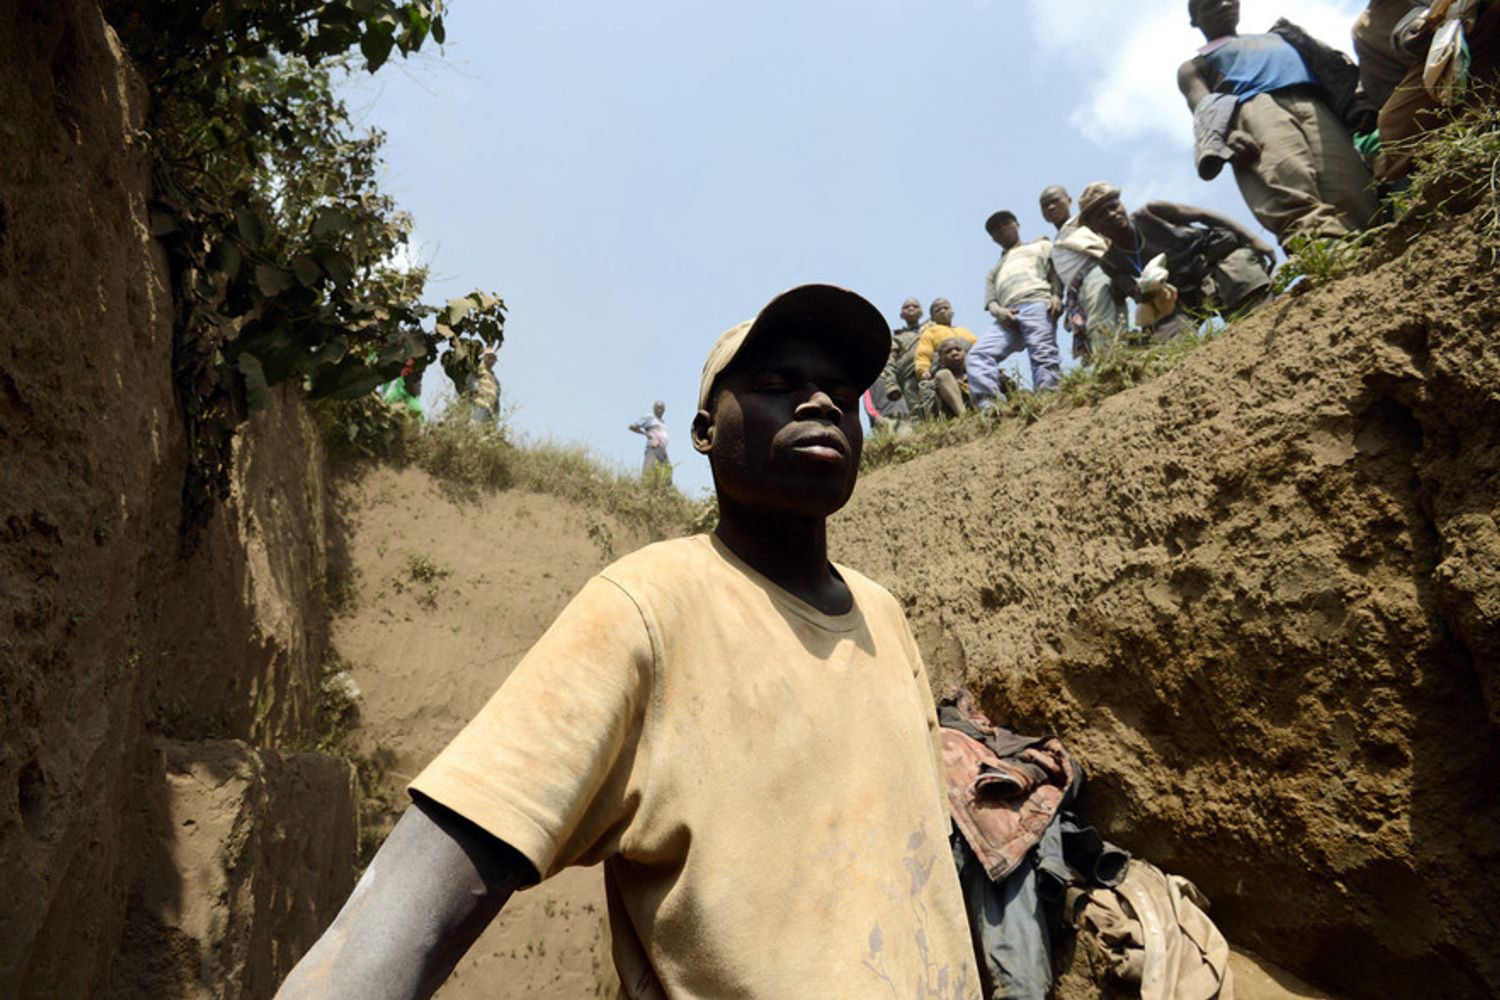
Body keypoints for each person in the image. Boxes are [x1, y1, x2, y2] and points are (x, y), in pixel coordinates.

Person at [275, 284, 983, 1000]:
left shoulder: (883, 616)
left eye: (838, 390)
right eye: (777, 385)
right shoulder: (650, 604)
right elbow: (437, 870)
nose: (821, 403)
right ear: (705, 431)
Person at [1178, 0, 1379, 246]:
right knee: (1289, 188)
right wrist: (1227, 135)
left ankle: (1373, 249)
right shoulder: (1197, 64)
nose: (1223, 4)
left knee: (1352, 186)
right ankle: (1331, 255)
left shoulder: (1282, 37)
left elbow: (1330, 69)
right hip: (1257, 111)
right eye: (1209, 3)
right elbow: (1202, 106)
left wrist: (1355, 105)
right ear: (1194, 20)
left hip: (1315, 104)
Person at [1078, 182, 1275, 342]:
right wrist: (1147, 290)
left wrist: (1255, 241)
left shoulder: (1152, 213)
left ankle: (1264, 334)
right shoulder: (1111, 263)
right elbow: (1137, 294)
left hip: (1212, 265)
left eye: (1113, 206)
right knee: (1164, 333)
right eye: (1100, 215)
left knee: (1242, 277)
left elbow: (1206, 216)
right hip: (1178, 295)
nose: (1111, 215)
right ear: (1094, 228)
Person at [1374, 1, 1500, 183]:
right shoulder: (1364, 30)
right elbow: (1415, 22)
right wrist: (1419, 27)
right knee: (1394, 127)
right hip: (1455, 37)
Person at [968, 211, 1062, 408]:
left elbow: (1055, 273)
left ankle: (1048, 398)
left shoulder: (1041, 246)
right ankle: (990, 407)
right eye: (996, 229)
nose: (1002, 229)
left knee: (1042, 352)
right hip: (1007, 315)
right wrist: (1000, 313)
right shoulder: (994, 270)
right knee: (978, 355)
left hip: (1037, 302)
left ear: (1017, 224)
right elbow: (991, 302)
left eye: (1005, 223)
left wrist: (1056, 296)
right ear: (993, 238)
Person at [1039, 185, 1123, 361]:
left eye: (1055, 201)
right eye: (1045, 205)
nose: (1051, 207)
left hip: (1095, 276)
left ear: (1069, 201)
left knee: (1102, 323)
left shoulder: (1083, 221)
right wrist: (1056, 295)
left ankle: (1111, 367)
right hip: (1076, 293)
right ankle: (1113, 365)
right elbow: (1058, 278)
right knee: (1096, 330)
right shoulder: (1055, 244)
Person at [863, 296, 924, 432]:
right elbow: (868, 402)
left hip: (907, 415)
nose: (911, 309)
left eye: (915, 306)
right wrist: (877, 418)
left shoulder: (929, 331)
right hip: (886, 420)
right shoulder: (872, 377)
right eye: (907, 307)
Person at [919, 337, 976, 419]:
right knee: (943, 374)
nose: (954, 353)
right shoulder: (938, 379)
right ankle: (964, 416)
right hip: (952, 417)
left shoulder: (975, 373)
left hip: (982, 411)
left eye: (958, 349)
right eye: (948, 351)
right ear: (940, 359)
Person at [627, 400, 671, 483]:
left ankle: (665, 490)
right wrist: (647, 434)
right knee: (648, 468)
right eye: (658, 408)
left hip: (662, 448)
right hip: (653, 447)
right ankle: (643, 487)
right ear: (654, 409)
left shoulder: (663, 423)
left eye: (662, 408)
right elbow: (632, 427)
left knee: (668, 470)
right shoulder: (650, 418)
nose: (660, 410)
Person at [467, 348, 500, 426]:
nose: (492, 360)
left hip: (490, 409)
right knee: (477, 428)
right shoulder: (479, 370)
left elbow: (497, 393)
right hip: (480, 405)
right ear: (484, 358)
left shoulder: (493, 377)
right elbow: (469, 383)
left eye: (493, 358)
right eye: (490, 357)